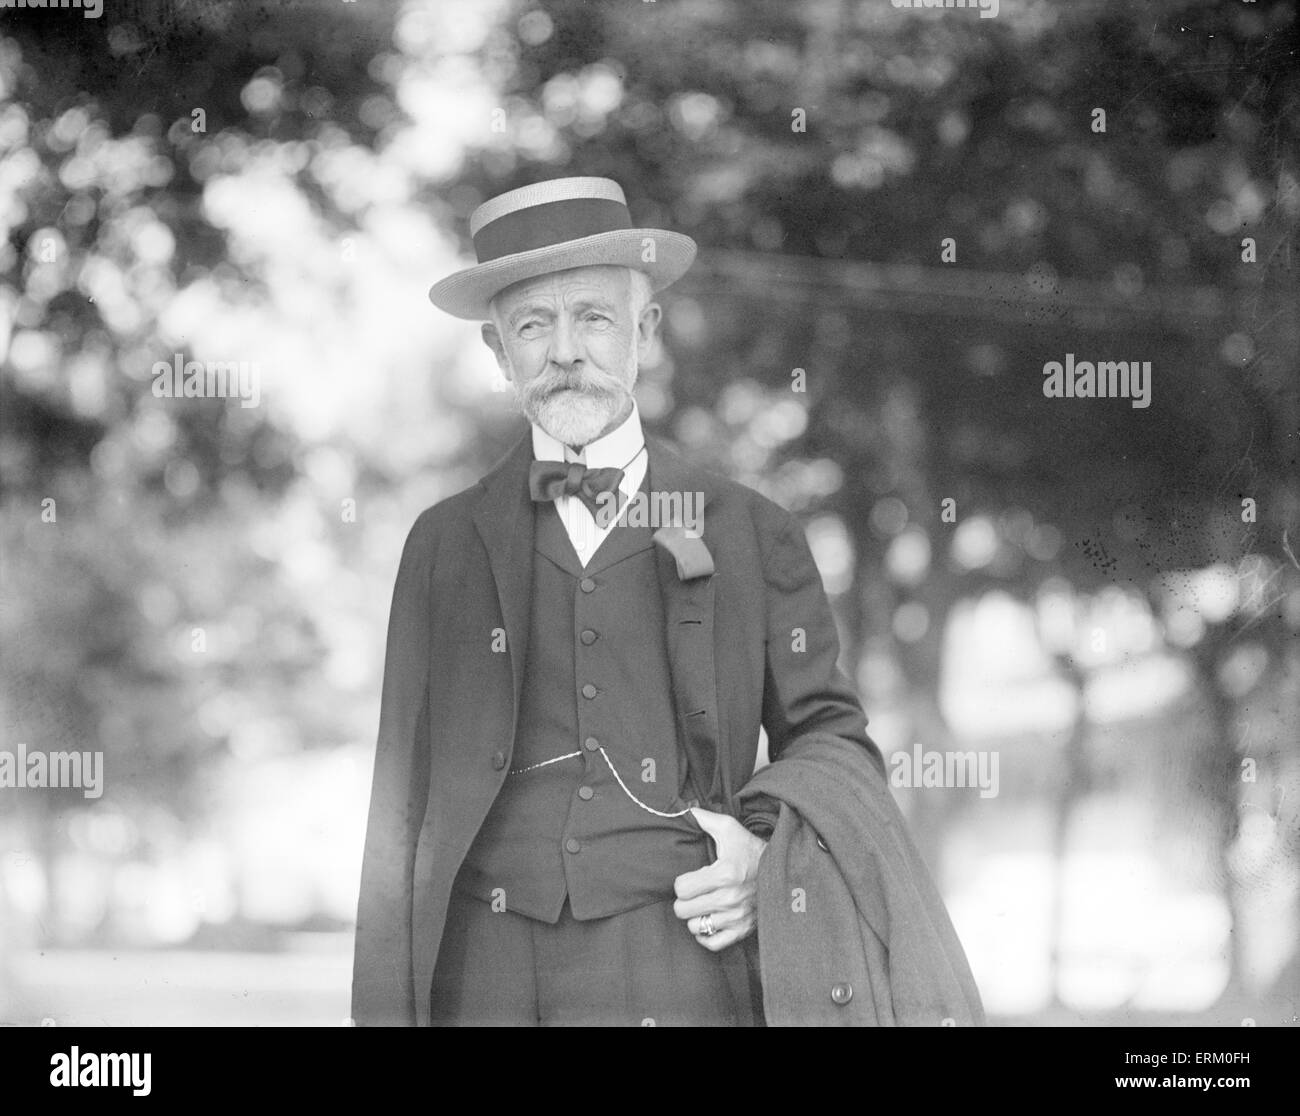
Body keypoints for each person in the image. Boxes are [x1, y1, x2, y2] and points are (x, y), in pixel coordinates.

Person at [351, 176, 983, 1026]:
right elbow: (400, 796)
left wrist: (761, 849)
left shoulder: (752, 531)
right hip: (482, 968)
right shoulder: (441, 545)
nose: (565, 350)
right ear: (499, 354)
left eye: (595, 316)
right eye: (532, 324)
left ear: (645, 332)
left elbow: (831, 738)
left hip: (681, 959)